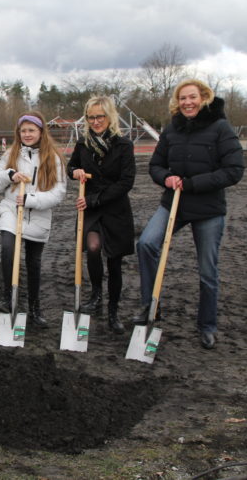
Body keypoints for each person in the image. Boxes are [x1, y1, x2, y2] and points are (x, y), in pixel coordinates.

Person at [133, 78, 245, 350]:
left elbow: (233, 170)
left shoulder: (220, 128)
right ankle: (151, 306)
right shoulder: (173, 130)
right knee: (146, 244)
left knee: (207, 270)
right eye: (183, 98)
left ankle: (207, 325)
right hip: (175, 204)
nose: (187, 102)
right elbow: (156, 165)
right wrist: (167, 178)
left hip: (208, 209)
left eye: (192, 97)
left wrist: (194, 184)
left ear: (204, 98)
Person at [0, 112, 67, 328]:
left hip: (38, 214)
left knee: (34, 262)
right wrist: (9, 175)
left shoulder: (54, 158)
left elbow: (59, 192)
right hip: (11, 210)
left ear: (41, 131)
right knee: (8, 247)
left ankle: (34, 308)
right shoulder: (11, 154)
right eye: (23, 130)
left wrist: (31, 199)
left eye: (32, 130)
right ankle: (8, 298)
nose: (27, 134)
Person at [67, 96, 136, 335]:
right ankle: (96, 293)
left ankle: (113, 310)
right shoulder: (83, 144)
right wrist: (75, 171)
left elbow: (126, 182)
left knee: (114, 260)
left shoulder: (123, 145)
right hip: (92, 211)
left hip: (115, 209)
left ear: (110, 117)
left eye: (100, 116)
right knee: (93, 247)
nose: (96, 121)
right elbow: (71, 167)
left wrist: (95, 199)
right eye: (91, 117)